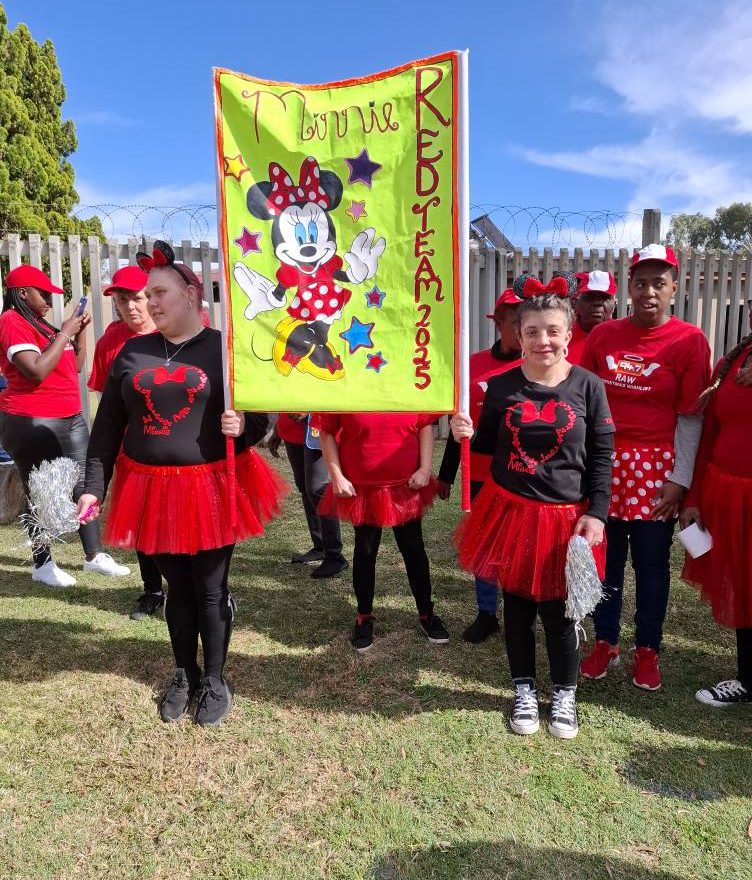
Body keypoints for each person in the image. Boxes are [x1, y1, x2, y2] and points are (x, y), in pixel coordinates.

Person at [76, 241, 286, 726]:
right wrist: (93, 486)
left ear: (191, 294)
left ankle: (214, 678)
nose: (149, 302)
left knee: (210, 588)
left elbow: (259, 420)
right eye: (147, 294)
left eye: (159, 293)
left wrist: (244, 426)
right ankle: (184, 672)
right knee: (177, 588)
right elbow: (107, 428)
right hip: (149, 489)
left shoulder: (224, 350)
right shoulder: (132, 352)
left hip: (211, 486)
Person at [451, 278, 615, 739]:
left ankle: (564, 693)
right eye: (532, 331)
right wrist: (463, 432)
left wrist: (598, 512)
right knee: (518, 608)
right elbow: (485, 444)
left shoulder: (588, 386)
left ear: (568, 334)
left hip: (567, 517)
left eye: (553, 330)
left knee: (561, 612)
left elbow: (602, 453)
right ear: (518, 336)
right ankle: (523, 688)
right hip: (512, 512)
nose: (543, 340)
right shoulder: (503, 386)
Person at [579, 245, 711, 690]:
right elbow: (583, 403)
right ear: (629, 288)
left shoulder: (689, 341)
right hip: (604, 464)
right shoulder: (603, 337)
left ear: (675, 287)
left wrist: (680, 479)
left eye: (659, 283)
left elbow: (691, 417)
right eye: (640, 283)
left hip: (657, 472)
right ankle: (605, 640)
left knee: (652, 565)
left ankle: (648, 648)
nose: (649, 292)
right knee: (606, 560)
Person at [0, 264, 130, 587]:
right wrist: (66, 332)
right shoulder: (11, 321)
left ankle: (93, 555)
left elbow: (75, 366)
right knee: (40, 489)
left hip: (70, 416)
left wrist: (79, 332)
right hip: (31, 420)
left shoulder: (42, 325)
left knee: (84, 484)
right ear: (21, 293)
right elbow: (36, 371)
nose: (48, 300)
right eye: (43, 294)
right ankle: (42, 563)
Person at [317, 412, 449, 652]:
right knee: (365, 551)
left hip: (406, 484)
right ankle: (364, 616)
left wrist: (425, 468)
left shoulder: (410, 389)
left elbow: (425, 425)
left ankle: (426, 613)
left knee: (413, 549)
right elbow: (327, 431)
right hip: (362, 487)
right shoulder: (344, 391)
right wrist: (336, 476)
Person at [437, 286, 522, 642]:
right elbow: (460, 424)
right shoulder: (472, 365)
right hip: (480, 474)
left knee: (519, 545)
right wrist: (446, 474)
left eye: (527, 322)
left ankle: (520, 611)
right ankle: (487, 612)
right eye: (515, 322)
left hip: (522, 476)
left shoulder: (538, 366)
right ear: (498, 322)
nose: (522, 329)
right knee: (484, 543)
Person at [680, 297, 752, 707]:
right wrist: (693, 497)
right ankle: (748, 678)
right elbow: (709, 434)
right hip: (727, 494)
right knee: (743, 582)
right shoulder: (733, 360)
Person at [88, 265, 165, 620]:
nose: (129, 307)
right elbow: (105, 403)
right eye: (121, 300)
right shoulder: (110, 341)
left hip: (174, 448)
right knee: (142, 520)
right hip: (130, 452)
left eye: (135, 298)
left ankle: (196, 589)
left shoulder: (172, 332)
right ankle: (152, 590)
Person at [270, 412, 346, 577]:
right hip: (292, 429)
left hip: (319, 428)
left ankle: (334, 555)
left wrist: (308, 410)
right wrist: (278, 428)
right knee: (305, 488)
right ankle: (320, 546)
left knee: (318, 489)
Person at [568, 270, 617, 365]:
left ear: (614, 305)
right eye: (590, 297)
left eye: (604, 297)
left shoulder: (622, 337)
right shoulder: (562, 336)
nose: (597, 303)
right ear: (575, 303)